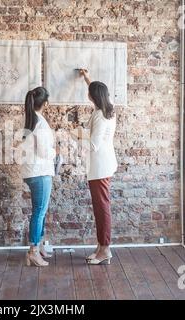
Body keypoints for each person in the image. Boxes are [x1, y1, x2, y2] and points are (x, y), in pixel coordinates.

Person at [76, 69, 118, 265]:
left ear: (92, 97)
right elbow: (96, 91)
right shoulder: (108, 109)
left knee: (102, 208)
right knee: (101, 207)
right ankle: (101, 246)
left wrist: (76, 133)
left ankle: (105, 249)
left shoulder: (101, 115)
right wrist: (87, 78)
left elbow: (93, 145)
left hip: (100, 166)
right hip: (103, 165)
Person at [20, 87, 56, 267]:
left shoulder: (28, 119)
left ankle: (39, 246)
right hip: (40, 172)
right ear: (45, 104)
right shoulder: (40, 123)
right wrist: (56, 151)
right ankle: (33, 251)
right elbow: (43, 151)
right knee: (39, 212)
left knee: (39, 212)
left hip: (31, 171)